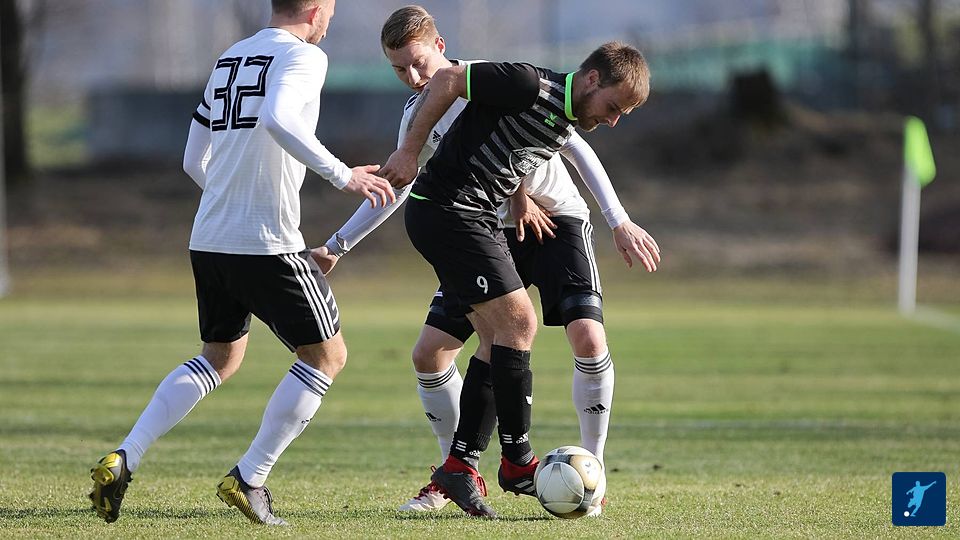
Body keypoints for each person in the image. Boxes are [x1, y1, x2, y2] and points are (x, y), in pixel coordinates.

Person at [311, 6, 659, 518]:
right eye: (400, 69)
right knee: (491, 334)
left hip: (540, 220)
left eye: (418, 62)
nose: (414, 76)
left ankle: (469, 466)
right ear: (591, 80)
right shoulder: (500, 86)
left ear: (440, 46)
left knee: (511, 336)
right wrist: (340, 242)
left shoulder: (550, 105)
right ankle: (504, 463)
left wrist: (604, 216)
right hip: (460, 217)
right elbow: (407, 169)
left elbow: (531, 146)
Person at [87, 0, 394, 526]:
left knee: (219, 358)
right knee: (326, 356)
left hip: (210, 236)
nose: (331, 21)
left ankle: (125, 456)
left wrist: (229, 199)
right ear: (315, 10)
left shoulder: (231, 56)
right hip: (266, 241)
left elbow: (193, 158)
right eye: (331, 10)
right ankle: (250, 477)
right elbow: (277, 118)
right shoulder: (304, 56)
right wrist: (344, 176)